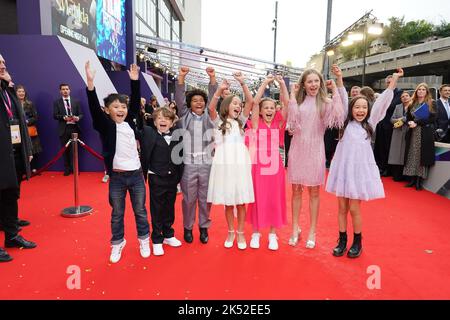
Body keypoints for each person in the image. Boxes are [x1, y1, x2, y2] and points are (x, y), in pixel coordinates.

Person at [326, 68, 404, 259]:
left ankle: (357, 241)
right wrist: (339, 78)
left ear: (368, 110)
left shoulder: (371, 122)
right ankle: (342, 240)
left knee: (354, 208)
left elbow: (384, 101)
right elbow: (343, 98)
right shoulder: (345, 122)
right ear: (351, 110)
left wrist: (394, 80)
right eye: (357, 107)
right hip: (343, 170)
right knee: (342, 208)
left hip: (358, 173)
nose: (360, 110)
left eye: (364, 107)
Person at [84, 61, 150, 264]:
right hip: (118, 178)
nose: (120, 110)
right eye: (115, 107)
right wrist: (90, 84)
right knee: (117, 213)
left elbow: (134, 104)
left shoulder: (129, 122)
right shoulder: (105, 126)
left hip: (137, 175)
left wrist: (134, 81)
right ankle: (117, 242)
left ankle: (144, 239)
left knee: (140, 210)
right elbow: (94, 109)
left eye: (123, 106)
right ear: (107, 110)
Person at [286, 69, 344, 249]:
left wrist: (336, 89)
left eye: (316, 81)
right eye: (309, 81)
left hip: (316, 151)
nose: (313, 85)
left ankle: (312, 231)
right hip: (297, 149)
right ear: (304, 84)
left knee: (314, 193)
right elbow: (291, 125)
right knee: (296, 191)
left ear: (320, 84)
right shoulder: (297, 101)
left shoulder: (327, 103)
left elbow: (339, 117)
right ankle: (295, 229)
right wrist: (292, 96)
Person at [207, 78, 254, 250]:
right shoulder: (218, 121)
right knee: (228, 201)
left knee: (241, 201)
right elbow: (211, 107)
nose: (239, 106)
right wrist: (219, 90)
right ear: (226, 105)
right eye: (234, 103)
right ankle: (231, 231)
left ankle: (241, 233)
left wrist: (243, 83)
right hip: (224, 164)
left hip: (240, 163)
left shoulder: (241, 121)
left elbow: (250, 101)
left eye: (239, 104)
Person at [0, 54, 37, 263]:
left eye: (4, 62)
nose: (4, 65)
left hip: (12, 151)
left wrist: (27, 148)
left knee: (11, 195)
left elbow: (20, 121)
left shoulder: (7, 91)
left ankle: (12, 235)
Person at [174, 66, 216, 244]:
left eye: (201, 100)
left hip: (207, 163)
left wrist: (212, 79)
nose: (199, 103)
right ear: (189, 103)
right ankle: (188, 228)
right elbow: (179, 97)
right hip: (189, 163)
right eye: (195, 100)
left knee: (206, 198)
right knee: (189, 198)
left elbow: (215, 98)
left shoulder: (210, 116)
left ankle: (204, 228)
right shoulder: (184, 116)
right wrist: (181, 77)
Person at [246, 74, 287, 251]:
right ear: (261, 112)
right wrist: (264, 83)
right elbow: (254, 103)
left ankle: (272, 234)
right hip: (258, 166)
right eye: (266, 108)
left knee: (273, 199)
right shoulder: (256, 123)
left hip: (275, 167)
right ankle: (256, 233)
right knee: (257, 198)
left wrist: (282, 84)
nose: (269, 110)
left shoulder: (279, 122)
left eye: (272, 107)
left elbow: (286, 103)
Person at [138, 106, 183, 256]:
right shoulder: (148, 133)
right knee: (157, 209)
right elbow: (136, 121)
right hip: (156, 177)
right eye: (159, 118)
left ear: (172, 123)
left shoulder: (178, 135)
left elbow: (180, 158)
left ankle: (168, 234)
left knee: (169, 208)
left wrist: (179, 179)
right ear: (154, 121)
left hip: (172, 178)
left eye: (166, 118)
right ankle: (157, 239)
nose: (162, 120)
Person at [403, 83, 437, 191]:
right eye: (419, 89)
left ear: (427, 92)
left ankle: (418, 180)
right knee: (412, 155)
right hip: (413, 132)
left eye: (423, 90)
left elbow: (432, 119)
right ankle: (412, 179)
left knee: (421, 156)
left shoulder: (431, 103)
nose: (421, 91)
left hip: (424, 133)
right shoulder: (412, 103)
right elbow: (407, 117)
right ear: (416, 91)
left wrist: (417, 122)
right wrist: (410, 123)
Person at [374, 75, 403, 177]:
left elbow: (391, 106)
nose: (390, 84)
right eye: (388, 82)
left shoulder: (399, 93)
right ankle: (381, 167)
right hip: (380, 124)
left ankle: (387, 169)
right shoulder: (383, 93)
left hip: (390, 125)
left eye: (392, 82)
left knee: (388, 148)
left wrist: (382, 103)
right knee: (380, 147)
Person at [53, 83, 83, 176]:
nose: (65, 91)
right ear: (60, 91)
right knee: (65, 150)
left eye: (66, 89)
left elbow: (81, 114)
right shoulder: (57, 102)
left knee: (74, 151)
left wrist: (78, 118)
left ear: (69, 90)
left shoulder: (76, 102)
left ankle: (75, 169)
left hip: (74, 128)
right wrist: (63, 117)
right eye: (63, 89)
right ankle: (67, 169)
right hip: (64, 129)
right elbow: (55, 115)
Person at [16, 85, 42, 173]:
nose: (21, 93)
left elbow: (35, 117)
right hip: (17, 131)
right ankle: (23, 170)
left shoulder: (30, 104)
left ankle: (33, 168)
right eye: (19, 91)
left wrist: (26, 122)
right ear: (16, 93)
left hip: (29, 130)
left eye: (23, 91)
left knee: (33, 149)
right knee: (20, 150)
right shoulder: (13, 104)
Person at [388, 91, 411, 181]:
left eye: (406, 96)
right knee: (396, 154)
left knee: (405, 153)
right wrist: (399, 120)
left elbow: (413, 117)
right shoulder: (397, 107)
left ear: (410, 97)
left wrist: (403, 119)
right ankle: (396, 175)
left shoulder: (413, 106)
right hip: (397, 132)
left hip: (408, 132)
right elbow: (391, 119)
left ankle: (405, 175)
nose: (405, 97)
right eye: (402, 97)